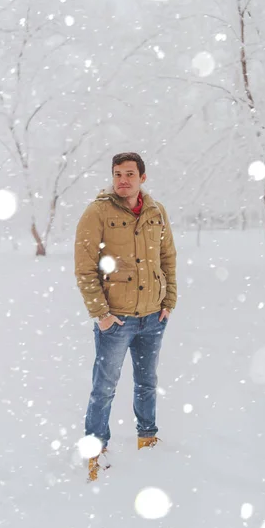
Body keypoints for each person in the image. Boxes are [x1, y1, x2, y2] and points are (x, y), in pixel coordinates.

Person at [74, 152, 177, 481]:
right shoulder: (97, 212)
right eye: (118, 173)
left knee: (147, 384)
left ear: (142, 178)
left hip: (153, 317)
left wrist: (168, 300)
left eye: (130, 173)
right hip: (116, 320)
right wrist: (101, 314)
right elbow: (85, 267)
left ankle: (147, 440)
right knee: (103, 388)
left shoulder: (156, 211)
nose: (123, 179)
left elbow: (167, 257)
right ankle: (96, 451)